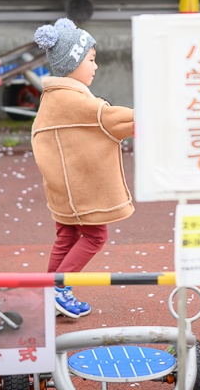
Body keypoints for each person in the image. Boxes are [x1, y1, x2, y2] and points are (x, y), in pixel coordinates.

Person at [31, 18, 135, 318]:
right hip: (79, 191)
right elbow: (109, 118)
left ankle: (49, 290)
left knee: (66, 236)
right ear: (72, 63)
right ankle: (60, 288)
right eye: (91, 59)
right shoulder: (75, 100)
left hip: (61, 186)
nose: (95, 66)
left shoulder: (51, 97)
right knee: (94, 237)